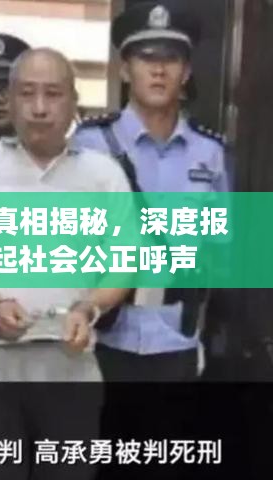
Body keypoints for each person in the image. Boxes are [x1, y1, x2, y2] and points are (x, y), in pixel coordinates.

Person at [0, 47, 132, 480]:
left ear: (74, 102)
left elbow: (124, 261)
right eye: (27, 93)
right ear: (9, 101)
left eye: (53, 93)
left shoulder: (104, 175)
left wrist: (90, 308)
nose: (40, 107)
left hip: (69, 358)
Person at [74, 2, 229, 381]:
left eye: (171, 59)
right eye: (146, 57)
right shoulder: (90, 144)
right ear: (125, 69)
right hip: (103, 338)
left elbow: (220, 247)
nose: (159, 70)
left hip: (177, 341)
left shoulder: (210, 153)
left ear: (186, 71)